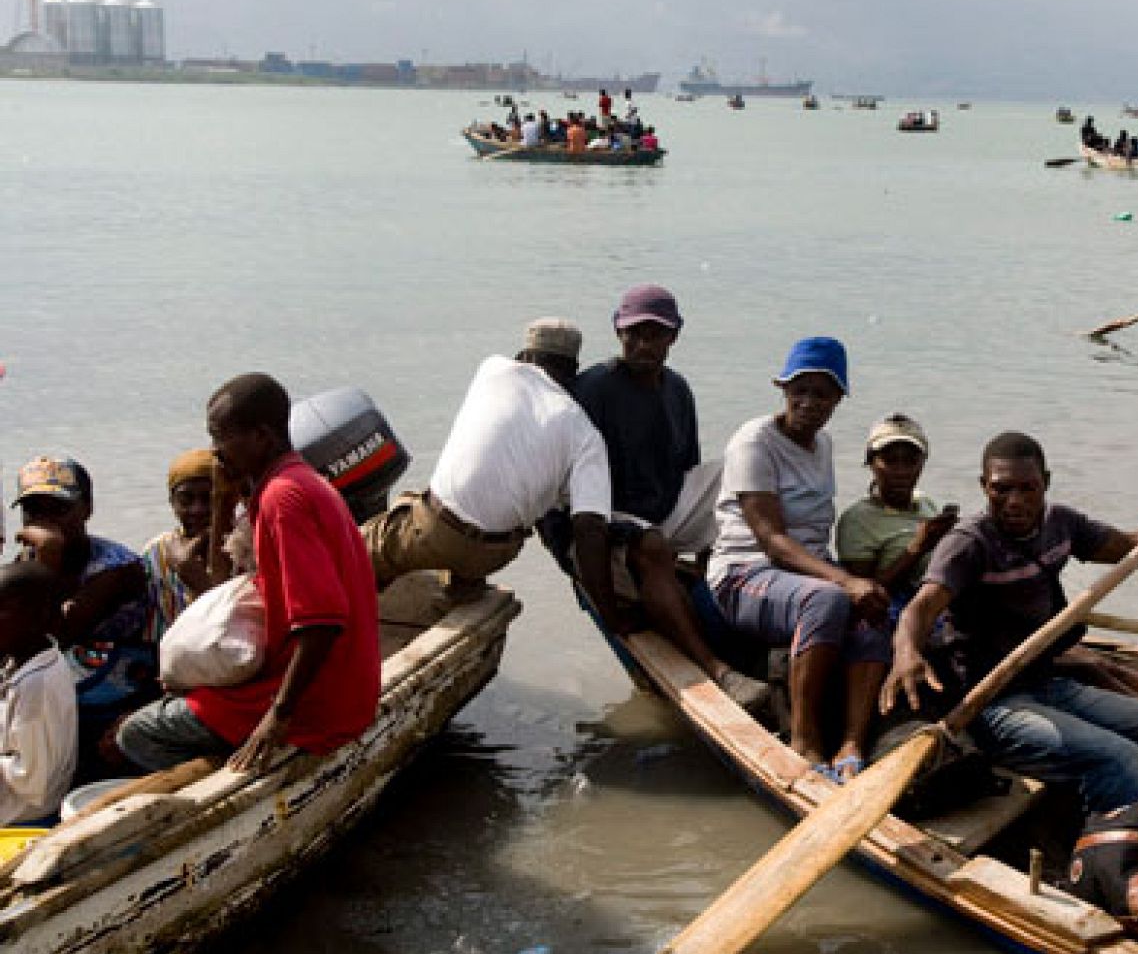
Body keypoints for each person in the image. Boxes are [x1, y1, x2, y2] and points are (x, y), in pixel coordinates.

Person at [881, 431, 1138, 812]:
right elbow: (921, 607)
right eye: (1001, 489)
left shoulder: (1060, 523)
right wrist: (906, 653)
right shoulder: (969, 543)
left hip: (1049, 683)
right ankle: (1118, 859)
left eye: (1028, 488)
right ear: (983, 487)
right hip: (990, 705)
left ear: (1046, 482)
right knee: (1117, 758)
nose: (1015, 502)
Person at [116, 373, 382, 774]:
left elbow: (321, 621)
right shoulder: (300, 481)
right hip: (344, 688)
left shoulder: (282, 499)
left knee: (137, 733)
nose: (215, 451)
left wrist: (277, 717)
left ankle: (220, 773)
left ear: (261, 436)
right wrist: (225, 498)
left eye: (221, 437)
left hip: (319, 706)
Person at [572, 285, 767, 711]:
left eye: (654, 335)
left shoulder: (677, 388)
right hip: (613, 510)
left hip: (665, 501)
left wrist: (707, 538)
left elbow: (689, 466)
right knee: (653, 547)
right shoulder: (595, 387)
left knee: (739, 470)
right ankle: (717, 669)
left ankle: (734, 587)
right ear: (619, 334)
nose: (643, 344)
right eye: (634, 334)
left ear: (673, 337)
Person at [708, 337, 891, 781]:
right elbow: (772, 540)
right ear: (783, 391)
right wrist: (844, 582)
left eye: (822, 393)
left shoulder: (822, 445)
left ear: (837, 400)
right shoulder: (755, 441)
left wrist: (857, 587)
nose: (809, 402)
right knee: (827, 601)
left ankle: (851, 741)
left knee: (875, 611)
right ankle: (805, 741)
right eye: (799, 390)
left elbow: (813, 537)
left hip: (801, 575)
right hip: (744, 573)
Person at [362, 320, 624, 628]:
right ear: (573, 371)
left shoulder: (494, 370)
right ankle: (462, 589)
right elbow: (590, 528)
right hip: (497, 553)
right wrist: (610, 613)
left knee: (356, 549)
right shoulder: (585, 433)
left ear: (524, 356)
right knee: (443, 511)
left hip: (438, 531)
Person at [12, 456, 154, 777]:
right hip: (71, 678)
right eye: (35, 511)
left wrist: (49, 556)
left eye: (59, 509)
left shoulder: (118, 568)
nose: (46, 521)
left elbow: (55, 634)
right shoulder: (29, 560)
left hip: (122, 686)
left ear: (87, 509)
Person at [835, 414, 956, 614]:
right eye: (890, 461)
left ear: (922, 464)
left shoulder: (924, 502)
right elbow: (865, 596)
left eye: (910, 461)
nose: (901, 471)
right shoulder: (858, 519)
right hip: (899, 608)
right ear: (871, 463)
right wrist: (917, 548)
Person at [0, 561, 77, 826]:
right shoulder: (31, 660)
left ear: (41, 618)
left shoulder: (35, 687)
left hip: (24, 809)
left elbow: (30, 779)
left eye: (3, 610)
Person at [142, 448, 232, 645]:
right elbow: (153, 626)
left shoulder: (242, 547)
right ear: (172, 502)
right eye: (186, 500)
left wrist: (195, 576)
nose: (197, 510)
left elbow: (232, 621)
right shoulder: (157, 551)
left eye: (208, 499)